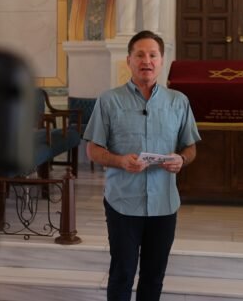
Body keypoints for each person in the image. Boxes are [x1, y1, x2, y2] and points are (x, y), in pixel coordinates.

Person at [83, 30, 200, 301]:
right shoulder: (109, 100)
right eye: (139, 55)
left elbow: (191, 148)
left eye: (152, 55)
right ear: (129, 60)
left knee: (154, 275)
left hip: (164, 203)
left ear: (162, 60)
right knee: (122, 272)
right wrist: (119, 161)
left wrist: (182, 159)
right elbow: (93, 150)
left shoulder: (178, 102)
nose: (146, 60)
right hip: (123, 201)